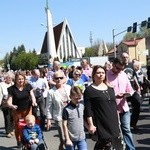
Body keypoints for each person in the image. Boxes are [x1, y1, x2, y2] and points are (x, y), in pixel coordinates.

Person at [84, 65, 120, 150]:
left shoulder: (110, 88)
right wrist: (91, 125)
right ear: (93, 75)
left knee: (111, 143)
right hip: (100, 121)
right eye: (98, 73)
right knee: (104, 143)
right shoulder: (89, 90)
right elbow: (88, 109)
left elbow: (114, 106)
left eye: (103, 73)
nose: (101, 75)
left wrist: (118, 120)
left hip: (112, 121)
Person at [107, 58, 135, 150]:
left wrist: (126, 94)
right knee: (115, 133)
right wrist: (115, 96)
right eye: (117, 68)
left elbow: (130, 89)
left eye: (121, 69)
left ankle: (131, 149)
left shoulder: (123, 74)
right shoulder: (106, 75)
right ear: (113, 64)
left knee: (126, 130)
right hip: (111, 109)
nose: (119, 71)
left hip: (124, 107)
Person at [6, 72, 37, 149]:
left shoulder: (28, 86)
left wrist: (34, 101)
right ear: (15, 80)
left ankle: (29, 140)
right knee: (18, 127)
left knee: (30, 125)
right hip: (17, 111)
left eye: (22, 79)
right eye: (19, 79)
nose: (21, 81)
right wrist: (11, 105)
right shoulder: (12, 89)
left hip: (27, 110)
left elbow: (32, 95)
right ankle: (19, 141)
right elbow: (9, 101)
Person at [46, 70, 71, 150]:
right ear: (54, 79)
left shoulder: (68, 87)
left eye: (61, 77)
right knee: (63, 137)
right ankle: (63, 146)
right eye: (57, 78)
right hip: (59, 116)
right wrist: (49, 120)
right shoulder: (51, 92)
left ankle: (61, 147)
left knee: (70, 136)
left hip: (70, 114)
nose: (59, 79)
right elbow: (48, 107)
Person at [62, 86, 88, 150]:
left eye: (80, 98)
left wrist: (88, 127)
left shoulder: (82, 106)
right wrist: (67, 139)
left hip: (81, 137)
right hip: (71, 139)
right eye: (76, 98)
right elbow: (64, 125)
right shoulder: (66, 109)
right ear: (70, 97)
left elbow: (82, 119)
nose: (78, 100)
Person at [121, 52, 142, 130]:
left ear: (128, 57)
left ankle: (133, 123)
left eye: (126, 57)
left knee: (138, 104)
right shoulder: (119, 66)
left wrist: (138, 87)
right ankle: (123, 124)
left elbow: (134, 77)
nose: (125, 58)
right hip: (123, 92)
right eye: (124, 57)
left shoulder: (131, 66)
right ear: (121, 58)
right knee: (121, 109)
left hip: (132, 91)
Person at [0, 72, 15, 138]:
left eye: (11, 78)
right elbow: (0, 94)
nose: (10, 79)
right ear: (5, 78)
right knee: (7, 117)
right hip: (5, 103)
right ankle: (8, 131)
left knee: (12, 117)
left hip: (12, 102)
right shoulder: (1, 84)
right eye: (9, 78)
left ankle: (11, 129)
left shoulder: (13, 84)